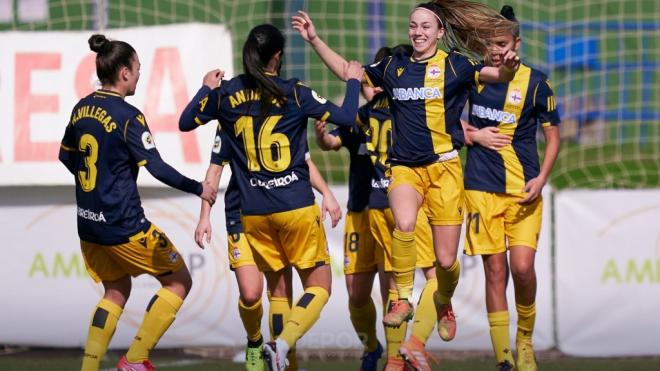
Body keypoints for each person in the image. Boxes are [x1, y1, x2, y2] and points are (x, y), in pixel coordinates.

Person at [292, 0, 520, 355]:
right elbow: (348, 72)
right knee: (404, 222)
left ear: (440, 33)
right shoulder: (393, 66)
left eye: (426, 27)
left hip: (444, 168)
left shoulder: (455, 65)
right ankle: (401, 298)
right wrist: (314, 39)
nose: (418, 32)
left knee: (445, 261)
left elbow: (497, 76)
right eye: (413, 25)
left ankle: (443, 299)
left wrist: (507, 68)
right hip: (403, 167)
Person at [179, 24, 364, 371]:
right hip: (293, 206)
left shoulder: (227, 93)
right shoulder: (294, 92)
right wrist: (353, 80)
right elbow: (347, 117)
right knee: (320, 287)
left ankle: (281, 360)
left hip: (254, 212)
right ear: (278, 56)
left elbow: (186, 122)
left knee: (277, 292)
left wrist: (206, 89)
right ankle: (282, 344)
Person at [59, 34, 217, 371]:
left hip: (88, 224)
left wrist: (97, 186)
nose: (140, 75)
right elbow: (156, 167)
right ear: (125, 73)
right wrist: (198, 187)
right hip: (123, 224)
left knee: (115, 289)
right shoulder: (128, 116)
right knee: (179, 281)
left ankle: (88, 368)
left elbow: (65, 156)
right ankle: (134, 359)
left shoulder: (81, 107)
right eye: (138, 69)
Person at [181, 108, 342, 371]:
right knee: (250, 293)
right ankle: (254, 340)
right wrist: (204, 215)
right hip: (241, 212)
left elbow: (302, 161)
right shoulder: (232, 117)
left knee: (279, 291)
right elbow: (215, 169)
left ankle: (284, 360)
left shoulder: (281, 111)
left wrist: (326, 192)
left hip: (275, 210)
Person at [314, 43, 438, 371]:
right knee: (356, 293)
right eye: (368, 81)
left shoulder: (406, 115)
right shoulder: (359, 116)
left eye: (374, 81)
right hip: (360, 212)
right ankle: (371, 346)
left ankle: (396, 358)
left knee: (390, 291)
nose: (370, 87)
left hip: (391, 210)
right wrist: (322, 137)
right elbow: (332, 143)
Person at [461, 6, 560, 371]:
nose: (496, 52)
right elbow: (445, 118)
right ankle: (504, 357)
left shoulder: (537, 83)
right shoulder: (473, 77)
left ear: (517, 43)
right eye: (491, 46)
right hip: (481, 188)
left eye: (502, 44)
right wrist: (475, 135)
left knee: (522, 269)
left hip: (523, 190)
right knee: (496, 272)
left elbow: (553, 138)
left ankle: (525, 342)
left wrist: (542, 178)